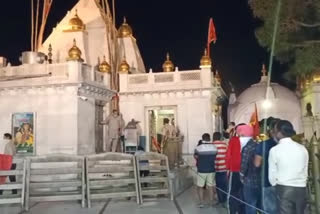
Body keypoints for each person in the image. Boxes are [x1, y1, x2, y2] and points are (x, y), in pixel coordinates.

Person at [269, 120, 309, 214]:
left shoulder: (275, 150)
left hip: (284, 188)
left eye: (274, 131)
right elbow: (305, 169)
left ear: (279, 132)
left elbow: (272, 175)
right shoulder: (302, 148)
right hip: (302, 189)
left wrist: (276, 185)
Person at [254, 119, 279, 214]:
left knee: (270, 209)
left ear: (270, 131)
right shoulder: (294, 146)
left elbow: (257, 164)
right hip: (286, 183)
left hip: (267, 181)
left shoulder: (263, 144)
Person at [239, 125, 260, 214]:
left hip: (249, 180)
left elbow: (244, 165)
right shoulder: (257, 145)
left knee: (250, 205)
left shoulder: (247, 147)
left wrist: (241, 176)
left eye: (240, 135)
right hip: (259, 180)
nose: (239, 138)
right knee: (259, 205)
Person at [226, 123, 246, 214]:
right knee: (244, 192)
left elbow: (228, 155)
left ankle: (233, 211)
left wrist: (228, 168)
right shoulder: (252, 141)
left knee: (233, 193)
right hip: (246, 172)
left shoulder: (233, 140)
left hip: (235, 170)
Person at [194, 133, 218, 208]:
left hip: (201, 170)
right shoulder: (214, 147)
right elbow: (215, 156)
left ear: (202, 138)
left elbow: (196, 156)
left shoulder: (198, 148)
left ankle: (201, 203)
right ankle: (211, 202)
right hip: (211, 169)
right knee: (210, 186)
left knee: (200, 187)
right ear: (209, 138)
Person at [212, 132, 228, 207]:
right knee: (224, 185)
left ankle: (220, 199)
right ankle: (224, 200)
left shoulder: (211, 145)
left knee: (218, 185)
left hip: (215, 168)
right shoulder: (225, 145)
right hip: (224, 167)